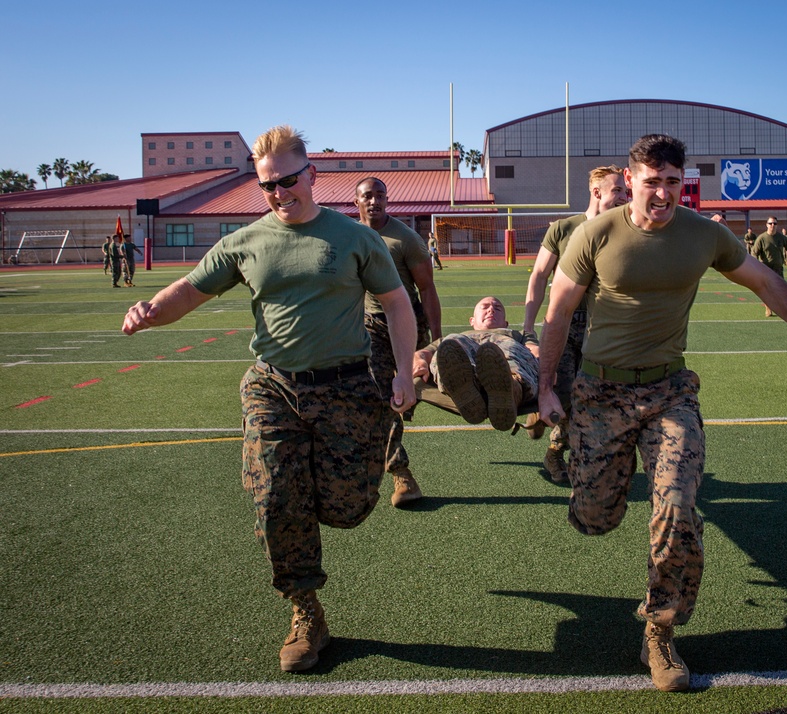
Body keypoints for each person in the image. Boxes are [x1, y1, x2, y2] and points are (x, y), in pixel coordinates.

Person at [536, 134, 787, 693]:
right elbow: (559, 312)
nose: (662, 193)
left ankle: (659, 630)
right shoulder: (594, 234)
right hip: (600, 395)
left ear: (683, 183)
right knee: (595, 519)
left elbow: (766, 282)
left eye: (672, 183)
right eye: (652, 182)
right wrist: (545, 388)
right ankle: (595, 492)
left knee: (677, 507)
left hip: (670, 394)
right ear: (630, 181)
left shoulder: (705, 234)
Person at [121, 125, 417, 674]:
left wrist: (404, 372)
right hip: (273, 384)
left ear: (311, 174)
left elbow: (397, 303)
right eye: (267, 185)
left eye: (287, 180)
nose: (279, 192)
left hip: (349, 386)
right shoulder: (244, 242)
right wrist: (151, 310)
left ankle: (339, 497)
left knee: (348, 508)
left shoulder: (356, 238)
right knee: (277, 498)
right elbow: (190, 288)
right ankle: (307, 612)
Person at [522, 165, 627, 482]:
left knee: (596, 402)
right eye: (618, 190)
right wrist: (528, 329)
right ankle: (552, 439)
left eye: (625, 190)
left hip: (602, 331)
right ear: (597, 192)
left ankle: (563, 450)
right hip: (564, 328)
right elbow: (539, 276)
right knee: (566, 397)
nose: (624, 197)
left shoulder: (624, 230)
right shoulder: (564, 229)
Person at [356, 176, 442, 507]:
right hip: (368, 327)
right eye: (368, 196)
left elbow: (427, 289)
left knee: (407, 391)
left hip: (407, 322)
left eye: (380, 195)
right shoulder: (351, 237)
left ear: (387, 199)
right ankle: (402, 474)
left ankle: (406, 399)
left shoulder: (406, 240)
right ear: (357, 202)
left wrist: (436, 340)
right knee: (382, 398)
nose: (374, 201)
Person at [414, 296, 539, 431]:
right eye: (485, 307)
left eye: (497, 308)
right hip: (467, 364)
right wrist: (419, 360)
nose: (491, 310)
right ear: (472, 321)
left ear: (505, 323)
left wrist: (546, 369)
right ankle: (468, 392)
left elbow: (534, 350)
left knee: (506, 349)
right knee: (451, 343)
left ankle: (511, 390)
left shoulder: (518, 335)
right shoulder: (453, 340)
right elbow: (422, 354)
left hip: (504, 358)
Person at [751, 216, 787, 316]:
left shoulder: (781, 238)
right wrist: (755, 265)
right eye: (770, 223)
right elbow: (754, 252)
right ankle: (768, 307)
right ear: (766, 225)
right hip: (765, 268)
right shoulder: (761, 238)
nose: (772, 225)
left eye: (775, 223)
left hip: (778, 268)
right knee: (768, 290)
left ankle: (781, 307)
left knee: (780, 289)